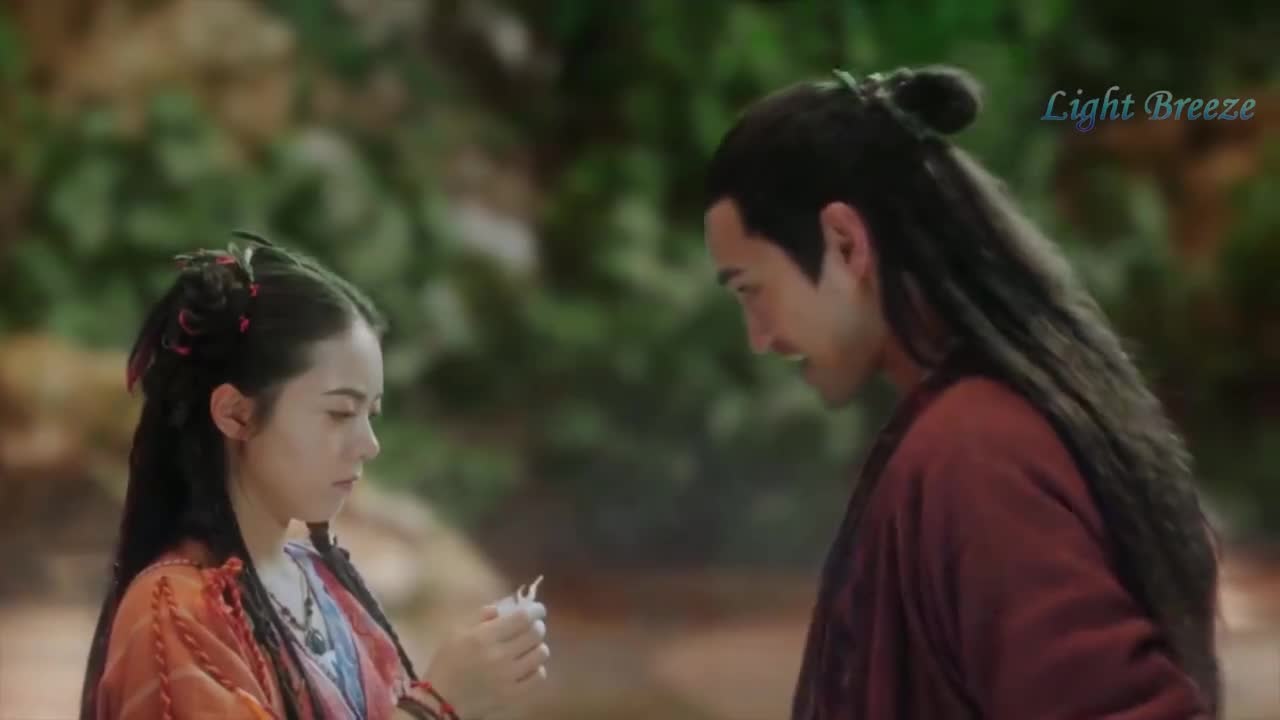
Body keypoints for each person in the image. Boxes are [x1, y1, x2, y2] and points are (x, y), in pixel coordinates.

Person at [702, 66, 1221, 719]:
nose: (758, 337)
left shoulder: (976, 455)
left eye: (751, 289)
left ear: (845, 243)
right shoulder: (968, 431)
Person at [80, 234, 550, 720]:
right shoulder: (175, 611)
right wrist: (440, 702)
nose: (369, 444)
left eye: (370, 414)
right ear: (236, 413)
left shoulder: (325, 584)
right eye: (340, 413)